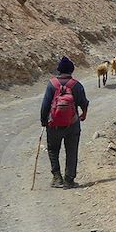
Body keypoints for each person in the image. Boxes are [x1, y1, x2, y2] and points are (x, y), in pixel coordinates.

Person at [40, 56, 89, 188]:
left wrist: (44, 121)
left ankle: (57, 178)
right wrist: (83, 114)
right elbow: (84, 102)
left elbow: (45, 105)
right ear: (71, 70)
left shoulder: (51, 84)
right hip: (72, 125)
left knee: (53, 150)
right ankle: (69, 180)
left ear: (59, 70)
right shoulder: (76, 85)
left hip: (54, 125)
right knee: (72, 151)